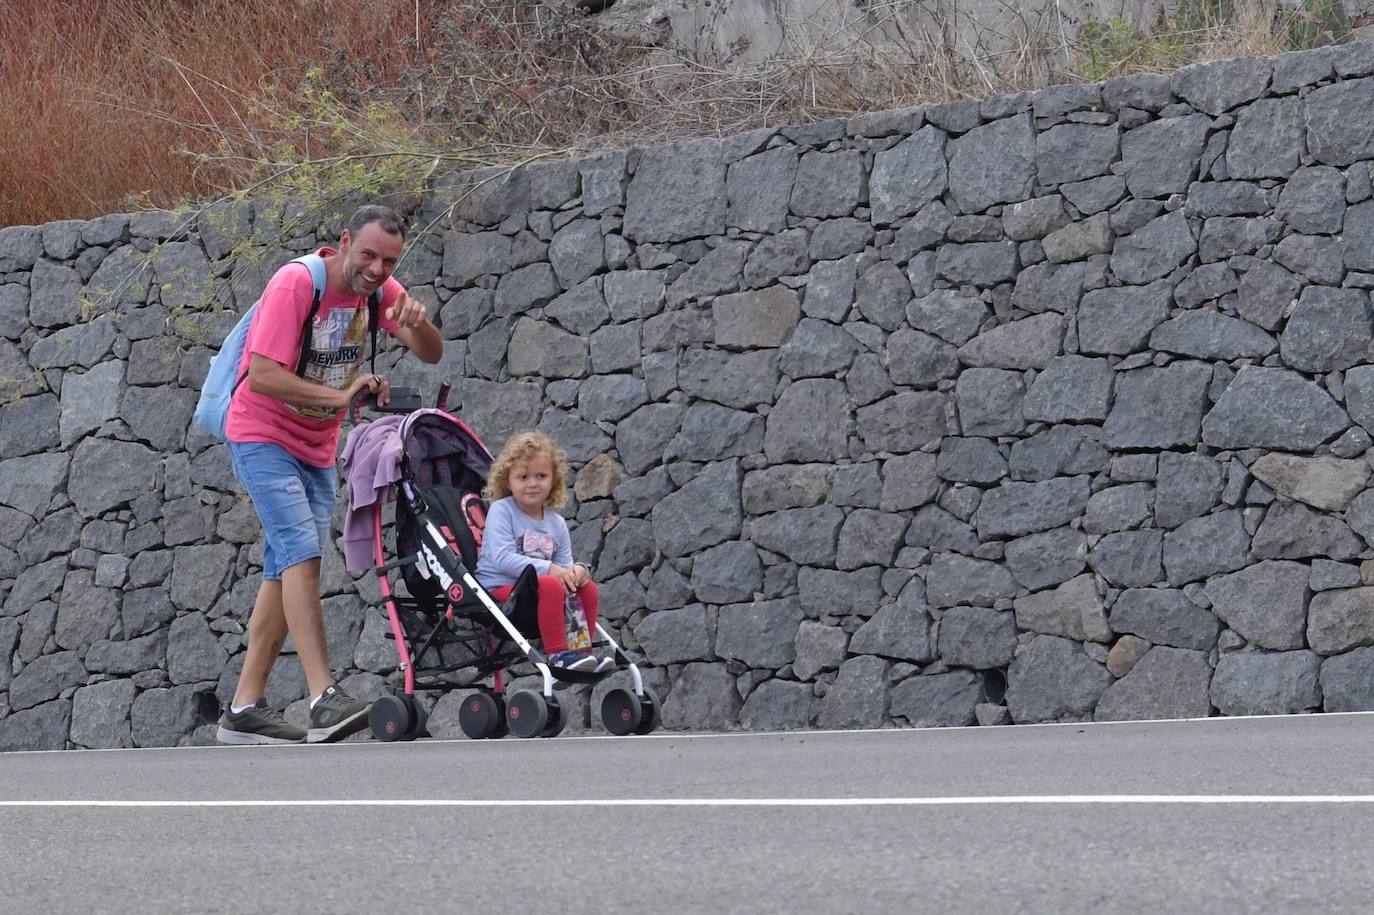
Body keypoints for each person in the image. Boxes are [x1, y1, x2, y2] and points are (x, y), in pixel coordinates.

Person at [216, 204, 443, 745]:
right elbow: (262, 375)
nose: (377, 269)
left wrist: (418, 323)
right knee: (301, 552)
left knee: (283, 568)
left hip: (316, 446)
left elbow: (431, 354)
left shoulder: (380, 292)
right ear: (344, 242)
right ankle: (324, 698)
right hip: (261, 435)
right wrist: (341, 397)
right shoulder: (297, 283)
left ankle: (243, 709)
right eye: (368, 255)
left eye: (389, 262)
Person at [475, 431, 608, 672]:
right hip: (498, 587)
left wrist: (576, 572)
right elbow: (502, 559)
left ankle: (581, 653)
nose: (533, 483)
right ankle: (558, 657)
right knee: (550, 583)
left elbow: (563, 568)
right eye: (523, 477)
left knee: (586, 588)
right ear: (508, 481)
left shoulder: (556, 524)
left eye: (541, 476)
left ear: (553, 480)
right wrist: (550, 569)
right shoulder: (502, 511)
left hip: (539, 588)